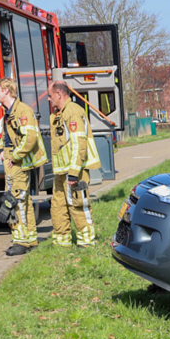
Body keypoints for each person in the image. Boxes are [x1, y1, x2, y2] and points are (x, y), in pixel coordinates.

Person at [0, 77, 46, 256]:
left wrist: (15, 156)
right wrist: (1, 149)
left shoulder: (22, 110)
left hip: (17, 162)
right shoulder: (8, 112)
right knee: (23, 199)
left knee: (15, 200)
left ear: (6, 91)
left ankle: (21, 241)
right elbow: (6, 135)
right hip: (12, 159)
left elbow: (30, 138)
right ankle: (30, 238)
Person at [47, 82, 100, 247]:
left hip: (74, 171)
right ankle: (62, 241)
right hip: (62, 171)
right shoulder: (59, 114)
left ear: (59, 94)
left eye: (50, 96)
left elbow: (79, 144)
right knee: (58, 205)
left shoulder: (73, 112)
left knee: (78, 204)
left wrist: (73, 172)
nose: (49, 99)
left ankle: (86, 240)